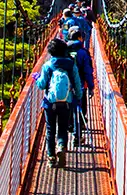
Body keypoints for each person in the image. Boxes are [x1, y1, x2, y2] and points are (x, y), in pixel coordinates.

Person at [37, 39, 83, 167]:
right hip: (66, 102)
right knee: (62, 128)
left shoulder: (47, 66)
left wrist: (36, 79)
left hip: (50, 103)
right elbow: (77, 84)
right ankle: (61, 146)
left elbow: (41, 85)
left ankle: (51, 158)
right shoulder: (71, 64)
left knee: (50, 130)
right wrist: (78, 98)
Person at [67, 27, 95, 148]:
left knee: (67, 109)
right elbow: (88, 71)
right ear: (79, 38)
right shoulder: (84, 52)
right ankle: (77, 136)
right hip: (81, 86)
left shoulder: (64, 51)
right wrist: (91, 86)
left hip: (66, 86)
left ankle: (67, 132)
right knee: (79, 110)